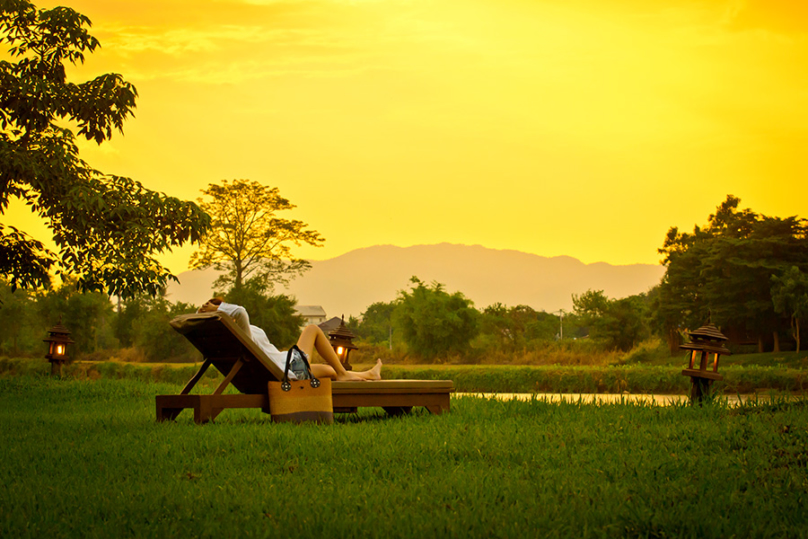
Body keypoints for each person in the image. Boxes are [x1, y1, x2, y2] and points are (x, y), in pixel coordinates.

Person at [198, 298, 382, 382]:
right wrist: (217, 310)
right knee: (312, 329)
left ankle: (370, 375)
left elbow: (238, 315)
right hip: (286, 368)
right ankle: (344, 374)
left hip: (285, 368)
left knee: (329, 370)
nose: (210, 305)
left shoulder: (240, 331)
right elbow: (240, 312)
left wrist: (216, 310)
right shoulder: (239, 333)